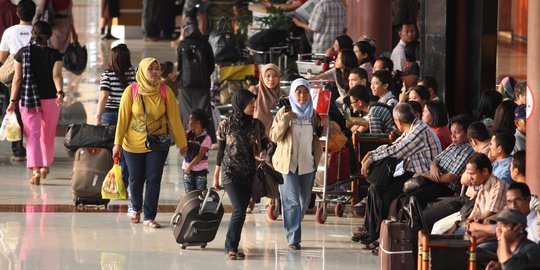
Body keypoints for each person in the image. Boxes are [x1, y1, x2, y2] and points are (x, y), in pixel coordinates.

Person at [113, 58, 188, 228]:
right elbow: (122, 119)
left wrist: (181, 142)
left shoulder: (165, 91)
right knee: (135, 178)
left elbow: (174, 118)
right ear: (142, 71)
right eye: (150, 69)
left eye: (157, 69)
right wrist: (117, 143)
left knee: (154, 178)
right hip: (132, 144)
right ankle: (136, 208)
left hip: (157, 143)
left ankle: (149, 216)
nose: (154, 72)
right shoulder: (130, 91)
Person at [359, 102, 440, 250]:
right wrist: (372, 153)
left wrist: (371, 158)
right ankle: (371, 231)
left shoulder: (419, 130)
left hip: (422, 178)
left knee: (384, 192)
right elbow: (394, 145)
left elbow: (397, 150)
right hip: (411, 173)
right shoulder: (413, 128)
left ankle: (379, 235)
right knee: (375, 188)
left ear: (398, 121)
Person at [6, 21, 63, 185]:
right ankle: (45, 165)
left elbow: (17, 79)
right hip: (51, 100)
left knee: (32, 137)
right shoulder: (55, 54)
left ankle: (36, 171)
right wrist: (60, 93)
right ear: (49, 36)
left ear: (33, 34)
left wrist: (12, 101)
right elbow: (57, 76)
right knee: (47, 135)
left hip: (28, 100)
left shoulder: (23, 53)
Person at [213, 89, 267, 260]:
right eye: (250, 102)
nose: (253, 105)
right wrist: (216, 175)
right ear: (241, 103)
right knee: (238, 208)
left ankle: (233, 245)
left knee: (242, 210)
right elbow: (221, 152)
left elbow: (265, 145)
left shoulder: (257, 125)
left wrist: (264, 153)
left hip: (249, 173)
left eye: (254, 102)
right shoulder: (226, 124)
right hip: (230, 173)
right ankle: (230, 247)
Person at [269, 78, 322, 250]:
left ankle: (293, 224)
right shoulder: (284, 111)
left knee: (304, 200)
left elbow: (316, 134)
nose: (302, 96)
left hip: (307, 163)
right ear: (292, 93)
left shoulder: (312, 114)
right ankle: (293, 239)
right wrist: (285, 120)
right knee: (292, 202)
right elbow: (274, 136)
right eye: (298, 92)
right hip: (287, 164)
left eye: (305, 92)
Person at [411, 115, 475, 208]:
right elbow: (435, 159)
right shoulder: (454, 145)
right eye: (451, 132)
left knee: (414, 198)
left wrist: (423, 175)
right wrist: (434, 168)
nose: (452, 136)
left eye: (457, 132)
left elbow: (449, 177)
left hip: (444, 187)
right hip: (433, 179)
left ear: (467, 133)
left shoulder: (467, 150)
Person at [0, 0, 35, 162]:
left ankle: (17, 149)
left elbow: (2, 57)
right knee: (33, 112)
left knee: (13, 111)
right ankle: (34, 148)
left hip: (14, 80)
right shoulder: (38, 31)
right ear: (34, 14)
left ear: (17, 14)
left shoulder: (9, 32)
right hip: (35, 77)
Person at [472, 182, 539, 268]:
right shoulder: (506, 223)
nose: (513, 206)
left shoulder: (536, 223)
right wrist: (500, 266)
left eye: (517, 200)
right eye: (509, 202)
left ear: (528, 199)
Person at [176, 16, 216, 142]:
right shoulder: (205, 43)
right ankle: (207, 139)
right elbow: (211, 65)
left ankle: (187, 138)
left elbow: (179, 67)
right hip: (203, 85)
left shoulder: (182, 45)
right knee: (205, 113)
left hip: (186, 86)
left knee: (187, 113)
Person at [95, 44, 136, 126]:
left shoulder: (108, 74)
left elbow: (104, 95)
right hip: (129, 112)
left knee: (108, 138)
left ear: (112, 59)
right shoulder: (134, 73)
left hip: (110, 114)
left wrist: (98, 117)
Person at [249, 63, 282, 137]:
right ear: (262, 77)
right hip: (258, 136)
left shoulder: (283, 94)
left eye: (275, 76)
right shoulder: (254, 91)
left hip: (278, 136)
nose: (271, 79)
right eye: (268, 76)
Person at [183, 109, 211, 193]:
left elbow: (200, 156)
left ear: (198, 123)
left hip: (200, 172)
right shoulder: (187, 134)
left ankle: (200, 207)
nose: (188, 123)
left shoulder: (206, 138)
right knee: (189, 195)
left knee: (200, 195)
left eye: (190, 120)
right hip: (187, 169)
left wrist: (189, 167)